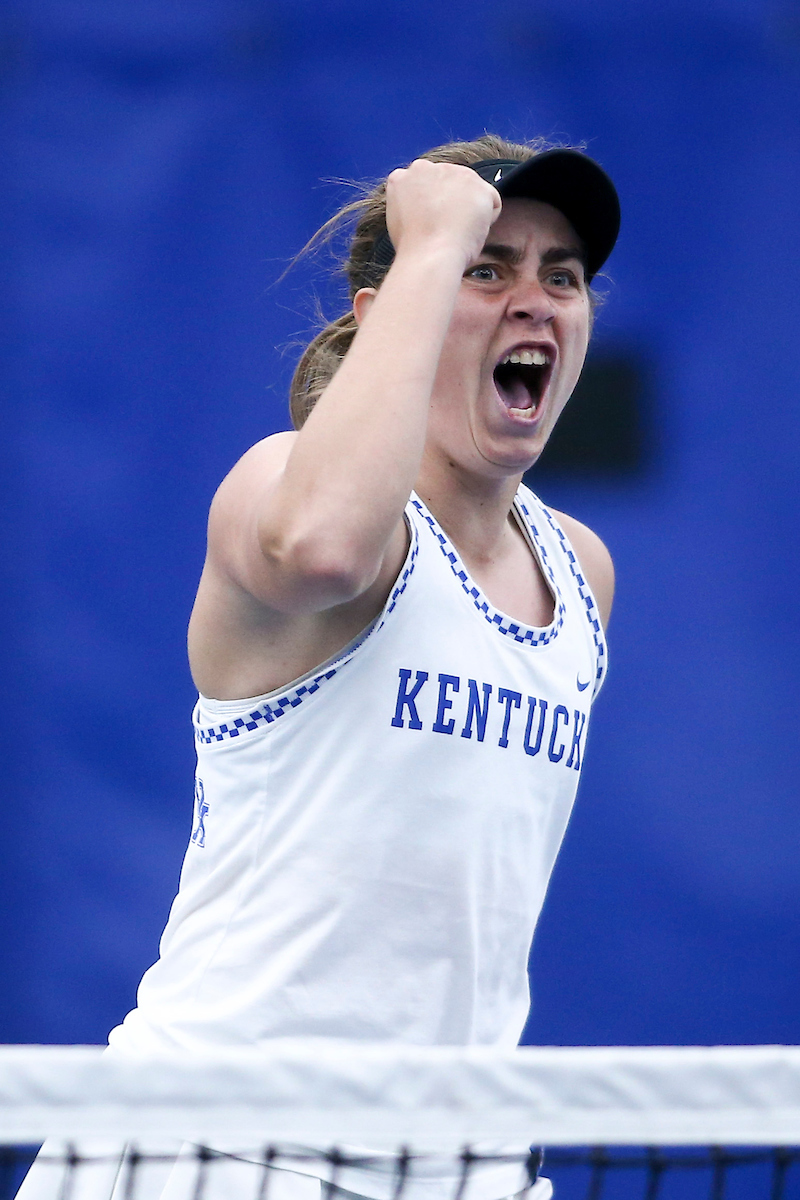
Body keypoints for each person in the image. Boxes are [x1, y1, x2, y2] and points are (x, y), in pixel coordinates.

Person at [18, 134, 620, 1200]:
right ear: (386, 308)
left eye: (560, 277)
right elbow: (326, 546)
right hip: (217, 1155)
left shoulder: (579, 570)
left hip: (457, 1172)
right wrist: (428, 250)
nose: (533, 300)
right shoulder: (281, 486)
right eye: (487, 268)